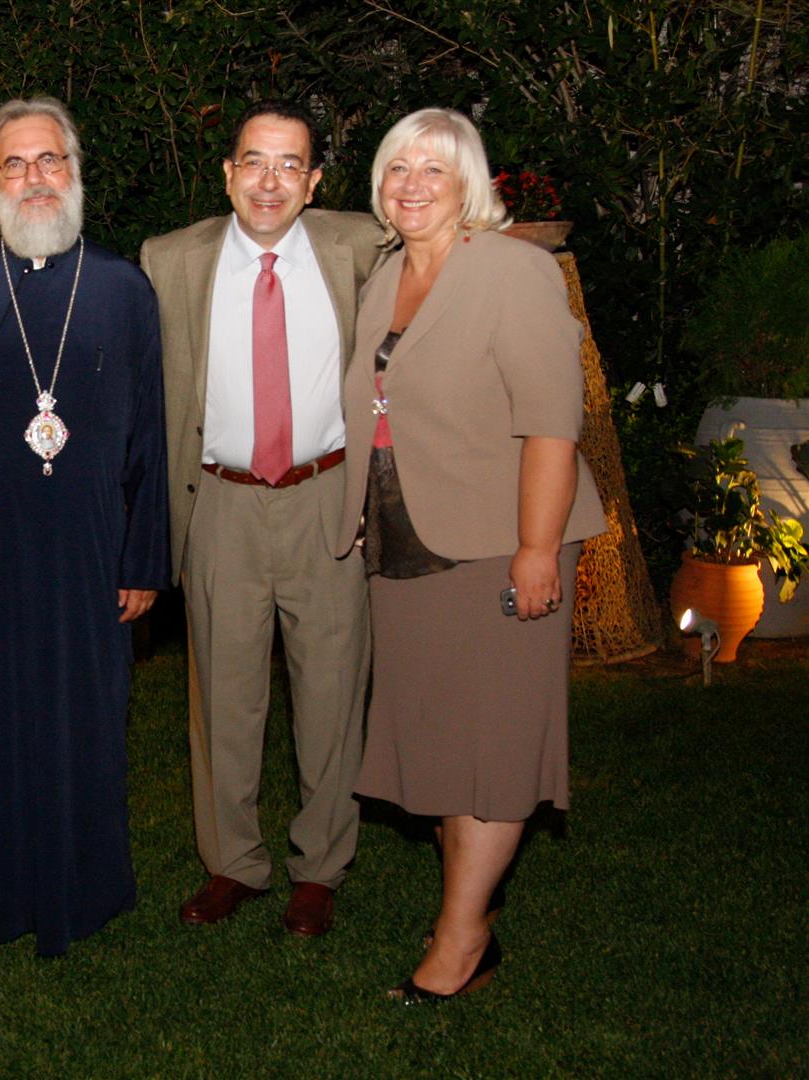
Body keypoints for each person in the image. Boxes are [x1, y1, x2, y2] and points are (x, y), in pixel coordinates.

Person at [332, 108, 605, 1001]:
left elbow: (551, 423)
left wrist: (537, 549)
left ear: (471, 186)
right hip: (406, 545)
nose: (411, 185)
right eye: (397, 168)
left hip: (498, 545)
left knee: (493, 748)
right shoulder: (387, 274)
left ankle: (460, 941)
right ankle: (467, 917)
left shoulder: (513, 271)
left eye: (434, 170)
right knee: (447, 742)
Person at [0, 97, 168, 956]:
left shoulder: (124, 290)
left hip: (88, 544)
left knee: (81, 719)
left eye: (50, 159)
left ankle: (77, 889)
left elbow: (151, 437)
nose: (34, 178)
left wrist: (143, 557)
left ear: (75, 171)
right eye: (13, 164)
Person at [139, 101, 382, 937]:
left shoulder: (362, 246)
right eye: (254, 161)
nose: (269, 181)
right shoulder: (170, 260)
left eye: (289, 165)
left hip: (328, 498)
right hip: (220, 502)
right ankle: (232, 862)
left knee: (333, 690)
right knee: (224, 695)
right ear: (227, 174)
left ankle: (321, 867)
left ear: (314, 182)